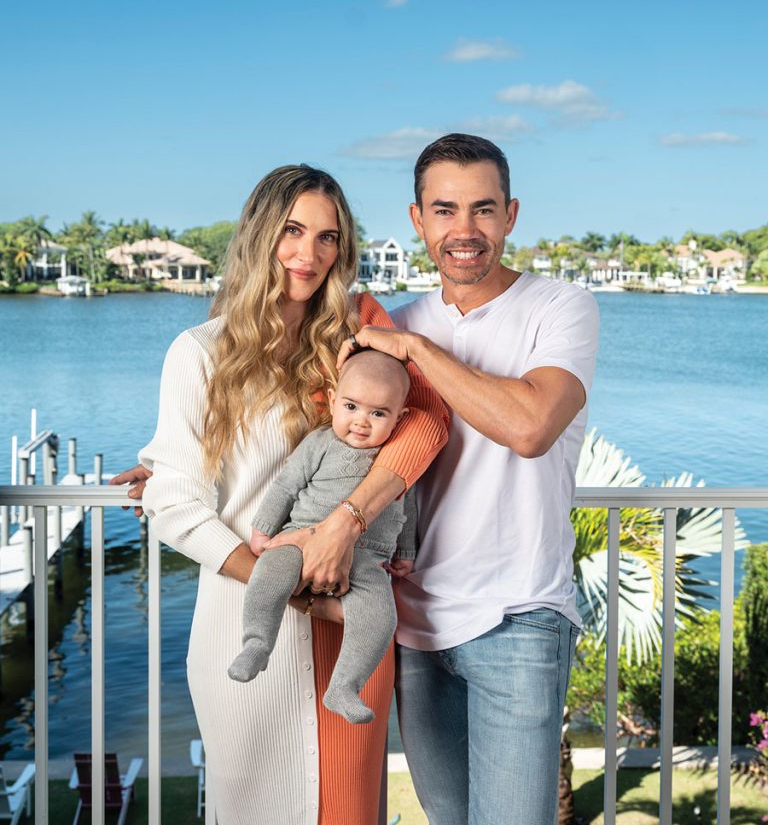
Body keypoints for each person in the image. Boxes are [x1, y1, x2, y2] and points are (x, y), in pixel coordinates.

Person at [113, 164, 448, 825]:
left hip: (344, 629)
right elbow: (178, 501)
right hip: (245, 623)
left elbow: (428, 422)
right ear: (260, 235)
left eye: (328, 237)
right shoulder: (198, 353)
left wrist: (345, 525)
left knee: (348, 810)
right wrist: (281, 582)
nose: (309, 252)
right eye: (293, 230)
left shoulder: (356, 338)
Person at [336, 134, 600, 825]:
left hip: (520, 618)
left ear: (511, 215)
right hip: (415, 624)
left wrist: (420, 351)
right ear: (417, 219)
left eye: (483, 209)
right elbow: (319, 425)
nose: (465, 230)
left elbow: (531, 426)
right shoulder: (392, 325)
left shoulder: (560, 309)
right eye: (445, 210)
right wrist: (183, 463)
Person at [228, 349, 417, 727]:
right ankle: (257, 642)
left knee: (380, 617)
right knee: (271, 572)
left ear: (401, 417)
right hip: (303, 540)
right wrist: (264, 530)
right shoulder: (320, 443)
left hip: (368, 561)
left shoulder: (398, 458)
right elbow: (286, 486)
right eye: (351, 407)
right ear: (333, 401)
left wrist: (407, 552)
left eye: (378, 413)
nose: (361, 422)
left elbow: (407, 509)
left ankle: (345, 686)